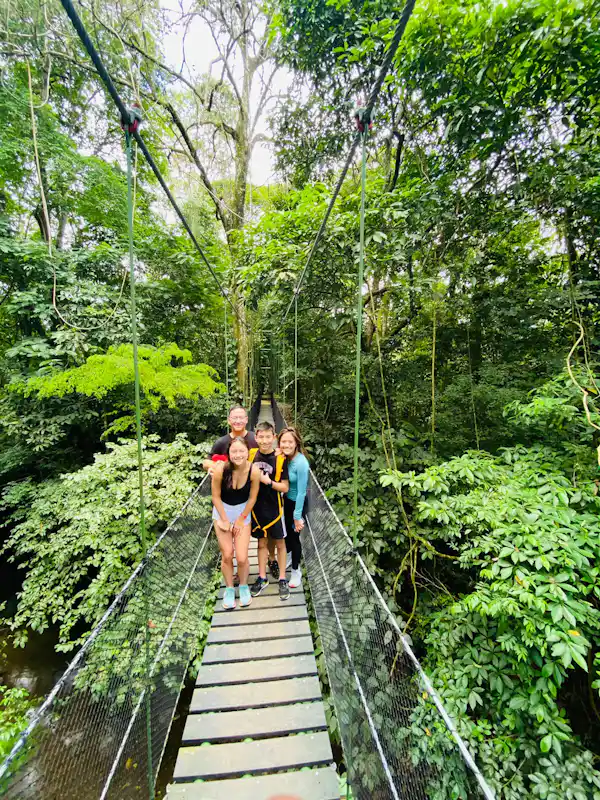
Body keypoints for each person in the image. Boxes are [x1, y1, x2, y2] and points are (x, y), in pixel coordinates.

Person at [211, 436, 261, 610]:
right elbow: (215, 497)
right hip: (222, 511)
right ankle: (230, 588)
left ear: (248, 452)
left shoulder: (254, 470)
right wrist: (224, 520)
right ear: (228, 453)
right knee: (227, 554)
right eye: (234, 451)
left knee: (241, 557)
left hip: (242, 513)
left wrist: (241, 519)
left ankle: (244, 585)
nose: (238, 455)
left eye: (241, 451)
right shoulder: (220, 470)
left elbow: (253, 497)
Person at [249, 421, 290, 601]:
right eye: (261, 437)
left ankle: (282, 578)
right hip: (256, 510)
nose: (264, 441)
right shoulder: (250, 456)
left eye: (268, 437)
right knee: (261, 544)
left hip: (276, 509)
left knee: (280, 544)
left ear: (274, 438)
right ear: (255, 437)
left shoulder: (281, 459)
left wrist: (269, 483)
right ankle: (262, 577)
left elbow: (285, 488)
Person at [278, 427, 309, 589]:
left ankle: (296, 571)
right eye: (283, 441)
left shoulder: (302, 463)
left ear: (296, 443)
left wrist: (298, 516)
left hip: (298, 503)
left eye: (290, 441)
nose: (286, 444)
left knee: (294, 537)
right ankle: (288, 556)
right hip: (285, 502)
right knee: (287, 535)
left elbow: (302, 492)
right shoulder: (284, 458)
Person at [203, 405, 257, 472]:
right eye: (234, 418)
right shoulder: (221, 442)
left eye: (241, 417)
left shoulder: (256, 439)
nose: (238, 421)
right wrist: (218, 467)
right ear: (229, 420)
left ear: (246, 420)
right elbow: (206, 462)